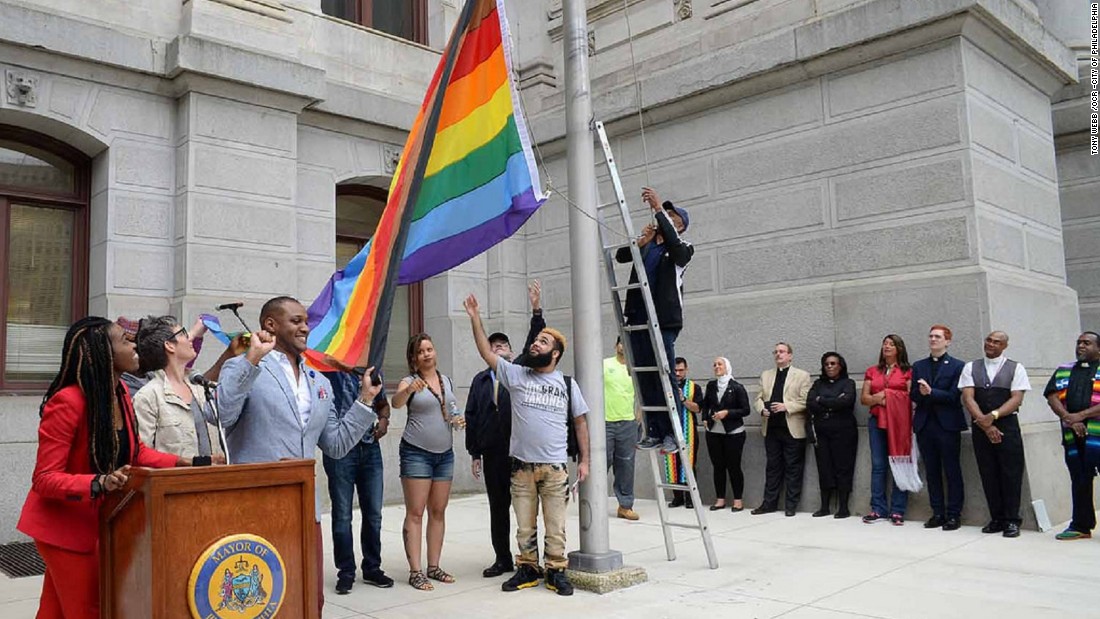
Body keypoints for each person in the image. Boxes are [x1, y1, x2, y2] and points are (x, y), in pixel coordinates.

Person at [215, 296, 381, 614]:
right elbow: (222, 416)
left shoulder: (320, 382)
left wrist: (364, 400)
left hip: (305, 511)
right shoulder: (242, 366)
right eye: (296, 321)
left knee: (307, 599)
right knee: (260, 602)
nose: (305, 327)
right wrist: (251, 360)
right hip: (256, 508)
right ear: (270, 325)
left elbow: (335, 444)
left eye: (306, 321)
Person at [18, 317, 186, 618]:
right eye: (125, 340)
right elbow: (45, 479)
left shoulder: (119, 391)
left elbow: (135, 454)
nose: (134, 344)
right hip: (64, 529)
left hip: (98, 523)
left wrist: (186, 463)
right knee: (89, 610)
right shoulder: (67, 402)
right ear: (103, 352)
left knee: (55, 610)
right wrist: (99, 482)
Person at [464, 293, 591, 597]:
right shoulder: (518, 375)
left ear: (556, 354)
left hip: (555, 467)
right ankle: (527, 569)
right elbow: (486, 352)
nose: (536, 344)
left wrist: (584, 460)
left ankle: (556, 571)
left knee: (556, 526)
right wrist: (475, 318)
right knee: (524, 527)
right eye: (536, 341)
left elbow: (580, 423)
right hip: (521, 468)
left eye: (544, 342)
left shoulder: (567, 384)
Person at [466, 281, 546, 577]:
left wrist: (536, 308)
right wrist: (475, 452)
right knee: (498, 508)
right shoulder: (479, 380)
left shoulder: (522, 372)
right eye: (493, 345)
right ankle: (502, 559)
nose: (498, 348)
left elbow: (536, 341)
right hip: (493, 453)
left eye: (503, 345)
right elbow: (471, 415)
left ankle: (530, 559)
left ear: (513, 351)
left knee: (526, 508)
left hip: (521, 452)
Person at [615, 187, 693, 453]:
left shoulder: (682, 249)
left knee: (664, 374)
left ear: (679, 227)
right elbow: (621, 256)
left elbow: (676, 247)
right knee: (644, 375)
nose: (666, 220)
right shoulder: (648, 245)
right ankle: (654, 431)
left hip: (664, 320)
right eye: (666, 215)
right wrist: (642, 241)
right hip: (639, 316)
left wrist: (659, 208)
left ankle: (672, 432)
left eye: (673, 218)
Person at [391, 333, 463, 591]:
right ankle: (415, 571)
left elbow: (451, 409)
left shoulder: (446, 381)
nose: (427, 354)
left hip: (444, 454)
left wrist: (457, 419)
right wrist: (409, 390)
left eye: (430, 349)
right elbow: (396, 402)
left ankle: (434, 566)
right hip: (416, 453)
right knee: (415, 512)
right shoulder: (409, 381)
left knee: (438, 511)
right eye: (421, 351)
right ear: (414, 358)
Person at [320, 369, 393, 594]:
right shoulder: (327, 372)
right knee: (342, 514)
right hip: (341, 451)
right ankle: (346, 571)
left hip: (370, 447)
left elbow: (383, 404)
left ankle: (372, 567)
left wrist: (383, 419)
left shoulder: (371, 370)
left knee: (373, 513)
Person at [131, 315, 227, 463]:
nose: (190, 338)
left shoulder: (200, 387)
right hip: (174, 483)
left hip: (214, 481)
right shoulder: (148, 396)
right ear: (169, 345)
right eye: (183, 333)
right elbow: (141, 456)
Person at [909, 325, 967, 531]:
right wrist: (922, 393)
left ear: (948, 341)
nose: (933, 339)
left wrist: (932, 392)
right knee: (931, 471)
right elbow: (913, 394)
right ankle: (938, 513)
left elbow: (954, 396)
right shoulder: (919, 365)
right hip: (925, 424)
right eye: (931, 336)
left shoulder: (958, 366)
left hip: (947, 425)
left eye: (938, 337)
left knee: (952, 470)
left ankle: (954, 514)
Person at [1043, 331, 1100, 540]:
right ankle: (1081, 525)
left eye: (1087, 343)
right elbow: (1052, 396)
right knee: (1079, 479)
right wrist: (1069, 418)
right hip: (1073, 435)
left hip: (1098, 434)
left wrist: (1080, 416)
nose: (1081, 346)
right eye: (1079, 343)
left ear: (1099, 348)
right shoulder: (1064, 370)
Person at [751, 342, 812, 516]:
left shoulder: (802, 375)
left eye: (782, 352)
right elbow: (758, 398)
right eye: (776, 352)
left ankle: (791, 506)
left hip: (792, 427)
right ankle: (769, 503)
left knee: (793, 468)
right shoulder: (766, 375)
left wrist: (787, 406)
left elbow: (806, 401)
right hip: (771, 428)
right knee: (772, 467)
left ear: (790, 355)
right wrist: (761, 409)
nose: (778, 354)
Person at [860, 335, 915, 526]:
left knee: (899, 462)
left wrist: (888, 396)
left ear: (899, 348)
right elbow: (864, 399)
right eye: (884, 344)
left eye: (891, 344)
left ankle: (898, 510)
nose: (887, 347)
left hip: (899, 423)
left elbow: (910, 397)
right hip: (877, 422)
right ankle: (878, 509)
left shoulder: (908, 371)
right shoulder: (872, 371)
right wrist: (881, 398)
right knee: (878, 465)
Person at [807, 352, 858, 519]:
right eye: (827, 364)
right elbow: (810, 403)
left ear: (840, 366)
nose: (830, 366)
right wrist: (833, 402)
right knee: (824, 467)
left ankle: (843, 507)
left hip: (844, 431)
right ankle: (825, 506)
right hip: (822, 431)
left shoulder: (848, 383)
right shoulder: (818, 383)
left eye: (833, 363)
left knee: (843, 467)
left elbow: (846, 401)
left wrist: (823, 400)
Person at [701, 357, 750, 512]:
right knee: (718, 466)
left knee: (734, 466)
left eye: (719, 364)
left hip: (733, 433)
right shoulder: (711, 385)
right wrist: (704, 419)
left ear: (727, 367)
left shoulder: (737, 387)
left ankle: (737, 500)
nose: (716, 367)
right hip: (714, 432)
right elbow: (706, 404)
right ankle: (720, 499)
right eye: (714, 364)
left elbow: (745, 410)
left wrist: (727, 413)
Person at [604, 336, 640, 520]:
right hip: (605, 423)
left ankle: (625, 506)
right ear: (616, 345)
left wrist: (638, 419)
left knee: (626, 465)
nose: (623, 346)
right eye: (620, 342)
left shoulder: (634, 369)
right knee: (601, 464)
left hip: (628, 423)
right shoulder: (604, 365)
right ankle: (595, 503)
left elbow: (642, 395)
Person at [668, 357, 705, 508]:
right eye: (675, 370)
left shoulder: (694, 387)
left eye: (681, 370)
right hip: (670, 430)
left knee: (689, 463)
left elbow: (698, 408)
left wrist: (683, 398)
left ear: (686, 369)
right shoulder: (666, 385)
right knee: (672, 464)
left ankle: (690, 498)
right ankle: (677, 497)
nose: (677, 373)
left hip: (688, 430)